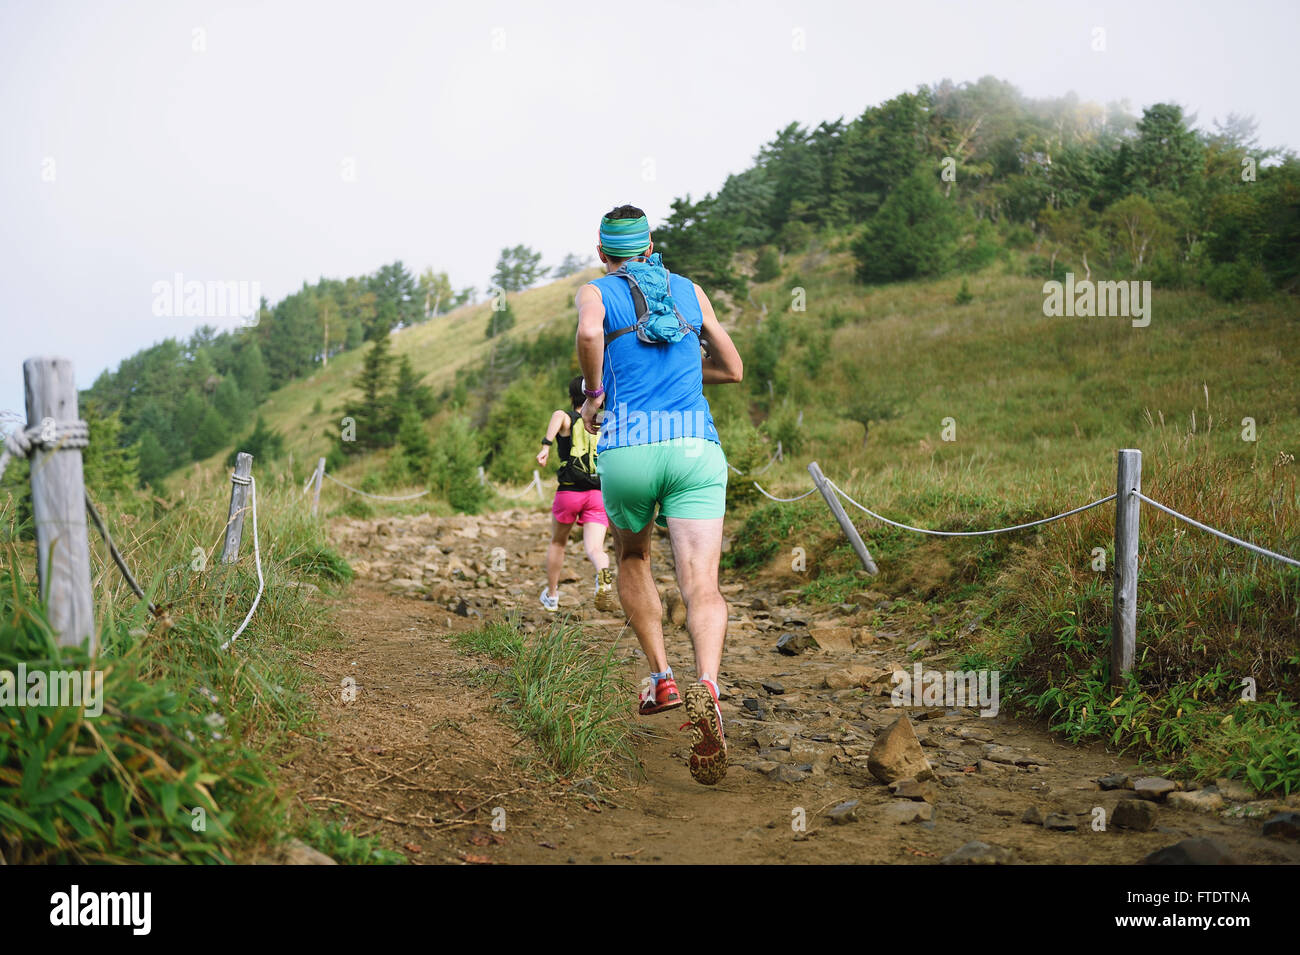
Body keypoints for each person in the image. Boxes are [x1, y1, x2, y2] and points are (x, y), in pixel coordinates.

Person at [574, 204, 743, 785]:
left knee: (633, 556)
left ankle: (661, 678)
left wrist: (595, 395)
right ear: (650, 247)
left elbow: (591, 332)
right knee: (703, 584)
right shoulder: (690, 290)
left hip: (630, 448)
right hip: (696, 447)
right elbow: (734, 367)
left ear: (604, 252)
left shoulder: (596, 291)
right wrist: (691, 375)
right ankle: (710, 688)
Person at [535, 376, 618, 613]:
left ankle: (551, 596)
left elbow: (558, 416)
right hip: (598, 493)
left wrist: (545, 446)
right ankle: (602, 574)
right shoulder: (602, 421)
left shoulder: (567, 417)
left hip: (569, 491)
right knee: (595, 549)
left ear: (573, 396)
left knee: (558, 542)